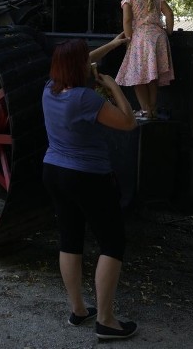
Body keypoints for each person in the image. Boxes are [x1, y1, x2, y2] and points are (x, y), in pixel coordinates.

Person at [42, 36, 139, 340]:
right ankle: (107, 321)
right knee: (112, 243)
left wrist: (111, 45)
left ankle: (78, 310)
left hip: (54, 171)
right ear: (79, 67)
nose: (90, 63)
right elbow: (128, 122)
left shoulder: (49, 89)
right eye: (86, 61)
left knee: (70, 239)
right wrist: (113, 87)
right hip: (87, 177)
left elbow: (79, 62)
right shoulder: (85, 99)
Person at [114, 0, 174, 119]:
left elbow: (127, 21)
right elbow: (169, 14)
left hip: (141, 40)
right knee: (152, 77)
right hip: (158, 38)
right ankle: (152, 109)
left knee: (137, 78)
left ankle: (145, 111)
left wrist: (128, 39)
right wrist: (168, 31)